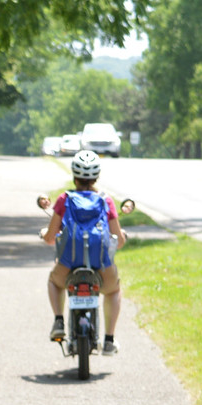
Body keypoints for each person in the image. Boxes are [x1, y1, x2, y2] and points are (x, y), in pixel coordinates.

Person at [38, 150, 127, 354]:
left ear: (74, 175)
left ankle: (59, 321)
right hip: (101, 264)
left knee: (54, 281)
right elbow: (118, 240)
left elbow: (51, 237)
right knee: (113, 290)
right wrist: (122, 238)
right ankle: (109, 340)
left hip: (69, 264)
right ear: (97, 176)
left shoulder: (64, 199)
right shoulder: (106, 201)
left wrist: (45, 234)